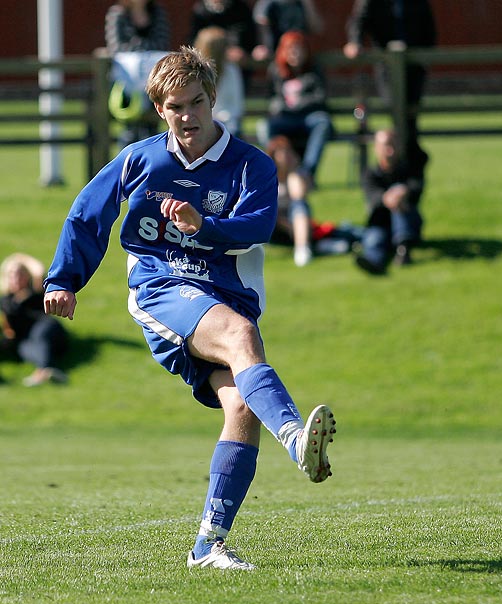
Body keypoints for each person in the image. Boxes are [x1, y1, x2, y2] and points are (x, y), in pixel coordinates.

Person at [43, 46, 337, 570]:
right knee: (242, 336)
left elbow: (256, 225)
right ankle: (294, 437)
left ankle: (209, 545)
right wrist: (65, 279)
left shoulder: (252, 165)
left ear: (212, 99)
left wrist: (205, 226)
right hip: (162, 288)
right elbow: (88, 214)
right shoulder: (142, 159)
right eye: (175, 107)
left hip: (225, 293)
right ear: (160, 109)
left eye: (196, 103)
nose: (188, 116)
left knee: (242, 406)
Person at [343, 0, 436, 177]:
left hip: (414, 66)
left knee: (410, 114)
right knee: (395, 109)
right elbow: (358, 21)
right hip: (386, 65)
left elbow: (429, 28)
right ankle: (412, 159)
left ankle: (408, 160)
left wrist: (424, 58)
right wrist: (355, 42)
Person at [257, 30, 334, 182]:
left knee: (323, 122)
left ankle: (307, 171)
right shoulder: (276, 70)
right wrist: (282, 107)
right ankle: (275, 170)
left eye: (299, 49)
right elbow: (272, 98)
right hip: (285, 119)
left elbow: (320, 97)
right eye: (291, 49)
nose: (296, 53)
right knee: (263, 126)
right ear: (284, 52)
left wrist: (297, 104)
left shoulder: (314, 69)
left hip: (308, 117)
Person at [354, 128, 424, 275]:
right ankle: (373, 261)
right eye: (386, 145)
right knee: (374, 239)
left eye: (394, 145)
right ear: (377, 148)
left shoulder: (409, 169)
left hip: (409, 223)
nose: (390, 150)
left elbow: (417, 188)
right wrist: (387, 198)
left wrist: (403, 192)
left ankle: (403, 248)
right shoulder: (370, 174)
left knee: (399, 201)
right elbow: (373, 197)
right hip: (380, 223)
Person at [105, 0, 171, 147]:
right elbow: (116, 46)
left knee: (153, 129)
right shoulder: (117, 13)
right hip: (126, 83)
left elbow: (162, 43)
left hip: (153, 79)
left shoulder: (157, 12)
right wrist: (144, 51)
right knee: (129, 130)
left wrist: (139, 50)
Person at [0, 254, 68, 387]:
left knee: (40, 336)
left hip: (46, 327)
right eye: (12, 275)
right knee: (25, 349)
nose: (16, 279)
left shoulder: (35, 290)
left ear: (27, 276)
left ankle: (44, 370)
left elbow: (38, 268)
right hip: (25, 338)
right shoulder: (5, 301)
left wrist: (17, 259)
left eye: (20, 274)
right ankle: (46, 371)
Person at [188, 0, 260, 89]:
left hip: (239, 68)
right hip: (209, 69)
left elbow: (250, 38)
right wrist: (223, 53)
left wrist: (249, 51)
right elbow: (194, 42)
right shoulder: (200, 11)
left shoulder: (241, 8)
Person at [266, 135, 314, 266]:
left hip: (296, 225)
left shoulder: (299, 175)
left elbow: (298, 196)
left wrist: (292, 171)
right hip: (275, 228)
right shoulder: (267, 178)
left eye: (289, 152)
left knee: (299, 205)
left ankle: (302, 249)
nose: (286, 156)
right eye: (282, 153)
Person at [194, 26, 245, 137]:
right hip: (200, 126)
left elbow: (236, 106)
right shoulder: (194, 73)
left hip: (229, 127)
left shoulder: (231, 70)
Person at [252, 0, 324, 60]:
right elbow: (262, 25)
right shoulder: (267, 4)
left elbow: (317, 28)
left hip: (302, 56)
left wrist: (308, 6)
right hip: (278, 56)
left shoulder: (301, 3)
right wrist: (263, 46)